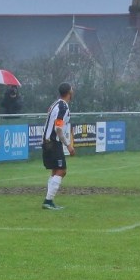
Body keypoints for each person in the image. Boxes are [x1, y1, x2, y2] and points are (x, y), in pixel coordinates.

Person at [41, 82, 76, 210]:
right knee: (62, 170)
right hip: (53, 142)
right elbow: (58, 128)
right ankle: (48, 201)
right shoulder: (63, 107)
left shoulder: (55, 104)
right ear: (69, 92)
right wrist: (68, 145)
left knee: (55, 171)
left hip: (47, 141)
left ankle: (49, 201)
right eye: (72, 90)